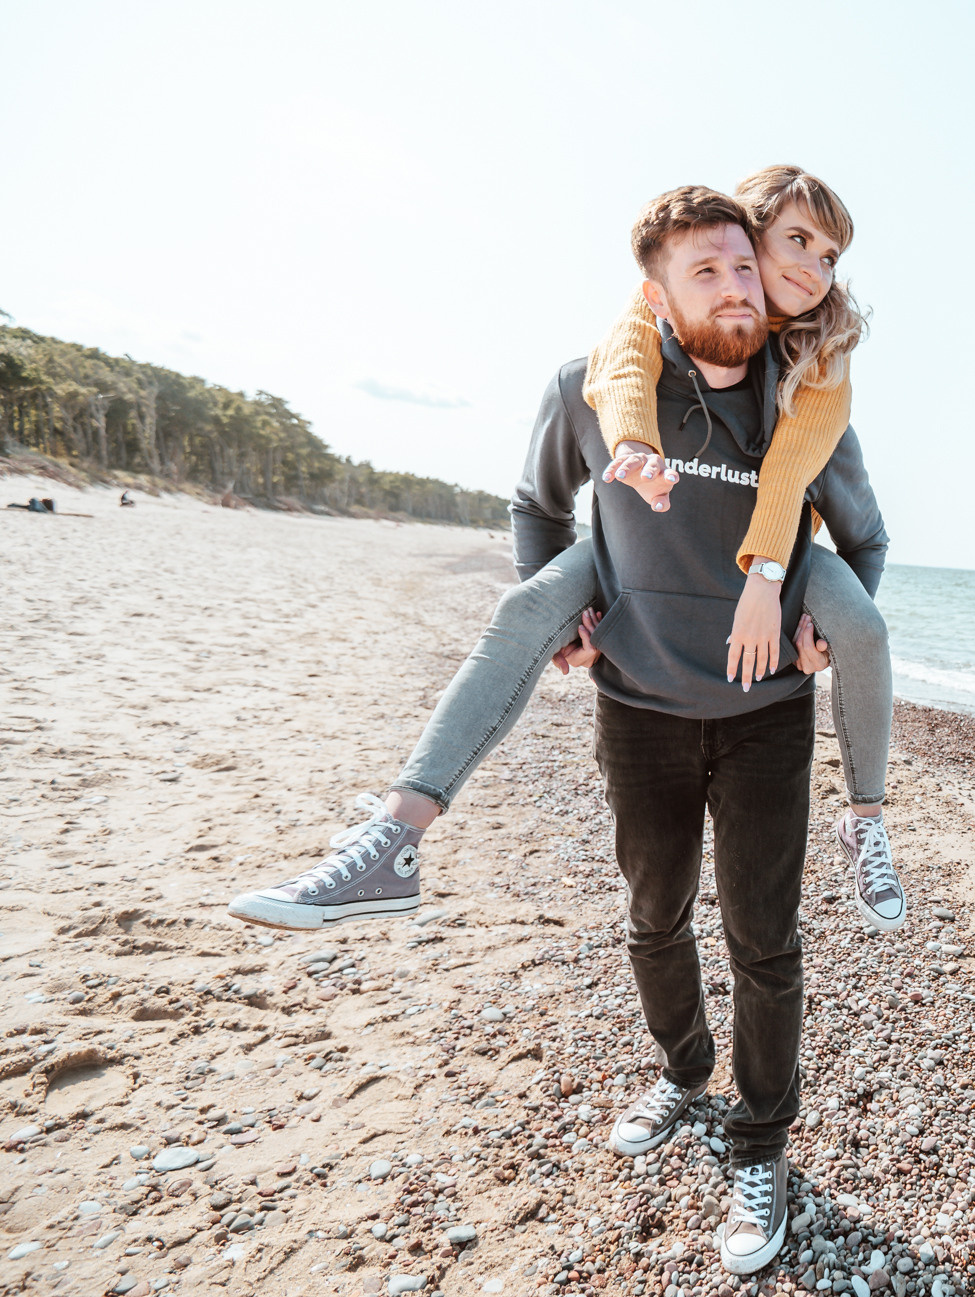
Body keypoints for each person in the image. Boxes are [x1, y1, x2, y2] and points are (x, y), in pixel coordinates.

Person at [226, 164, 903, 935]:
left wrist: (804, 620)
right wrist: (578, 615)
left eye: (829, 256)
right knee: (525, 607)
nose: (810, 270)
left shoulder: (819, 361)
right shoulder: (636, 332)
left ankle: (867, 819)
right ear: (735, 239)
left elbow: (834, 508)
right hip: (632, 568)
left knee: (865, 629)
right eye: (793, 243)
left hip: (777, 572)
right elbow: (581, 430)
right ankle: (397, 834)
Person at [516, 185, 888, 1274]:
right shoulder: (595, 384)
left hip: (770, 711)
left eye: (747, 266)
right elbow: (537, 507)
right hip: (637, 706)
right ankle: (684, 1075)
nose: (738, 287)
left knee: (764, 939)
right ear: (660, 288)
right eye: (711, 270)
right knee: (653, 914)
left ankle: (760, 1143)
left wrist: (823, 626)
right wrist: (561, 621)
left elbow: (864, 537)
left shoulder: (802, 393)